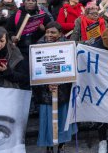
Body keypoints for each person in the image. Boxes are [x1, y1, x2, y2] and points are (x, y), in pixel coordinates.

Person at [33, 22, 77, 153]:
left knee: (62, 120)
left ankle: (61, 146)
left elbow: (72, 70)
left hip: (63, 91)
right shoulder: (37, 47)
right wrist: (47, 84)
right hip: (46, 93)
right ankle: (49, 146)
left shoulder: (68, 47)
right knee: (47, 121)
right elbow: (35, 71)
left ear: (60, 33)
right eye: (47, 32)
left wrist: (60, 82)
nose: (49, 35)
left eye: (53, 32)